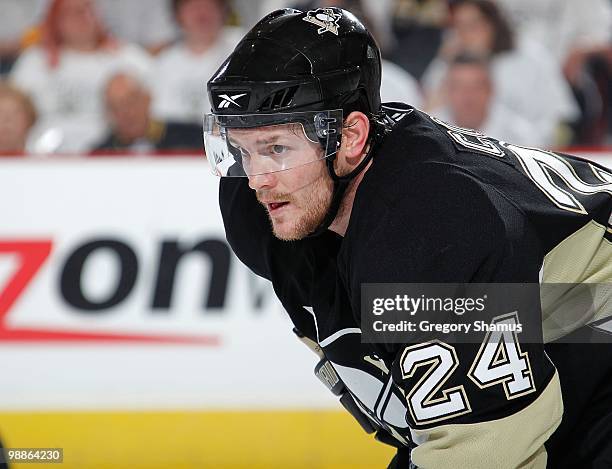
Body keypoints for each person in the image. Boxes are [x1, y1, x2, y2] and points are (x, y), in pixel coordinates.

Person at [205, 7, 612, 468]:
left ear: (352, 135)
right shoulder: (264, 208)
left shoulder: (430, 232)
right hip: (563, 338)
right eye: (243, 149)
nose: (257, 180)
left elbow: (484, 453)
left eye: (277, 148)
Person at [422, 0, 578, 147]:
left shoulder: (532, 58)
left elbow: (562, 121)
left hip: (530, 149)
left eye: (473, 25)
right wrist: (446, 63)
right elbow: (427, 115)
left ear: (493, 23)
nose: (466, 34)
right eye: (459, 27)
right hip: (463, 153)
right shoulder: (446, 64)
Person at [9, 0, 152, 153]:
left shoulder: (129, 58)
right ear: (55, 18)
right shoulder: (34, 61)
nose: (82, 17)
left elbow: (155, 109)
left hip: (113, 151)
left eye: (87, 9)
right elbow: (12, 111)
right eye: (71, 12)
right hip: (45, 154)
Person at [150, 0, 243, 125]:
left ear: (223, 10)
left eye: (209, 6)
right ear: (178, 14)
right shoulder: (163, 64)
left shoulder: (243, 48)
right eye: (193, 7)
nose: (202, 14)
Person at [432, 53, 540, 147]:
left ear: (491, 90)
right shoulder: (429, 132)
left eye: (476, 87)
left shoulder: (520, 136)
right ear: (446, 91)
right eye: (458, 87)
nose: (467, 96)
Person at [93, 72, 202, 153]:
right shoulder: (99, 155)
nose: (125, 113)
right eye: (115, 108)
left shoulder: (192, 138)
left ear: (147, 98)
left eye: (130, 101)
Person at [0, 81, 37, 155]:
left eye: (15, 113)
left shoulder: (44, 164)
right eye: (1, 113)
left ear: (29, 120)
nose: (7, 120)